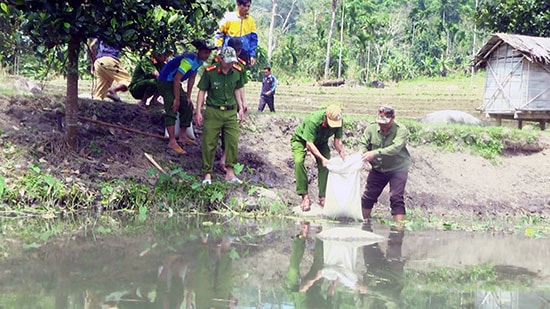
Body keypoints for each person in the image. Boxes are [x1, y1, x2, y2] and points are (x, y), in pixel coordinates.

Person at [195, 47, 245, 185]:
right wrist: (198, 111)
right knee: (209, 142)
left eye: (232, 62)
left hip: (230, 111)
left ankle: (230, 173)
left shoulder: (237, 71)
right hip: (213, 111)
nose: (230, 64)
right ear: (221, 59)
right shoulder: (210, 72)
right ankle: (207, 174)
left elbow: (237, 89)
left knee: (232, 141)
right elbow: (202, 91)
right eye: (227, 61)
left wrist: (241, 108)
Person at [157, 39, 216, 155]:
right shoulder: (188, 61)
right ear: (199, 51)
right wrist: (177, 99)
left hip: (174, 83)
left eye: (209, 52)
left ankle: (183, 136)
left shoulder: (199, 62)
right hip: (165, 82)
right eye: (205, 52)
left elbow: (192, 78)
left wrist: (188, 96)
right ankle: (172, 141)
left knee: (187, 107)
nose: (207, 55)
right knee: (172, 107)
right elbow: (176, 78)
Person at [360, 106, 411, 223]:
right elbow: (363, 143)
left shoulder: (401, 130)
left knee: (396, 197)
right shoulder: (371, 129)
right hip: (379, 168)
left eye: (385, 123)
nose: (382, 126)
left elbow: (395, 148)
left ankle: (399, 229)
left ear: (393, 119)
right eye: (380, 122)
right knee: (368, 196)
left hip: (398, 168)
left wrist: (375, 153)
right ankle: (363, 223)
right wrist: (363, 151)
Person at [291, 105, 346, 212]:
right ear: (325, 116)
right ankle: (304, 197)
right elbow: (309, 144)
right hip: (302, 140)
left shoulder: (338, 120)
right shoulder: (313, 120)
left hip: (321, 142)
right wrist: (322, 158)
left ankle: (322, 197)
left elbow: (337, 140)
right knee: (298, 161)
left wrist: (341, 153)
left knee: (326, 165)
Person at [218, 37, 249, 172]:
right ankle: (223, 158)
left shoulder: (236, 65)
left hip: (223, 102)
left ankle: (224, 158)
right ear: (239, 50)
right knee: (227, 131)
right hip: (227, 102)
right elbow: (240, 87)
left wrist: (243, 104)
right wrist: (242, 103)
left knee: (228, 131)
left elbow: (239, 85)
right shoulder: (238, 65)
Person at [215, 0, 258, 67]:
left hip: (243, 54)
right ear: (238, 4)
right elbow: (219, 33)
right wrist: (219, 49)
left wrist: (252, 55)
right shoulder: (229, 17)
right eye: (244, 5)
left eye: (248, 6)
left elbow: (253, 39)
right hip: (228, 52)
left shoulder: (251, 21)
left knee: (239, 74)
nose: (246, 8)